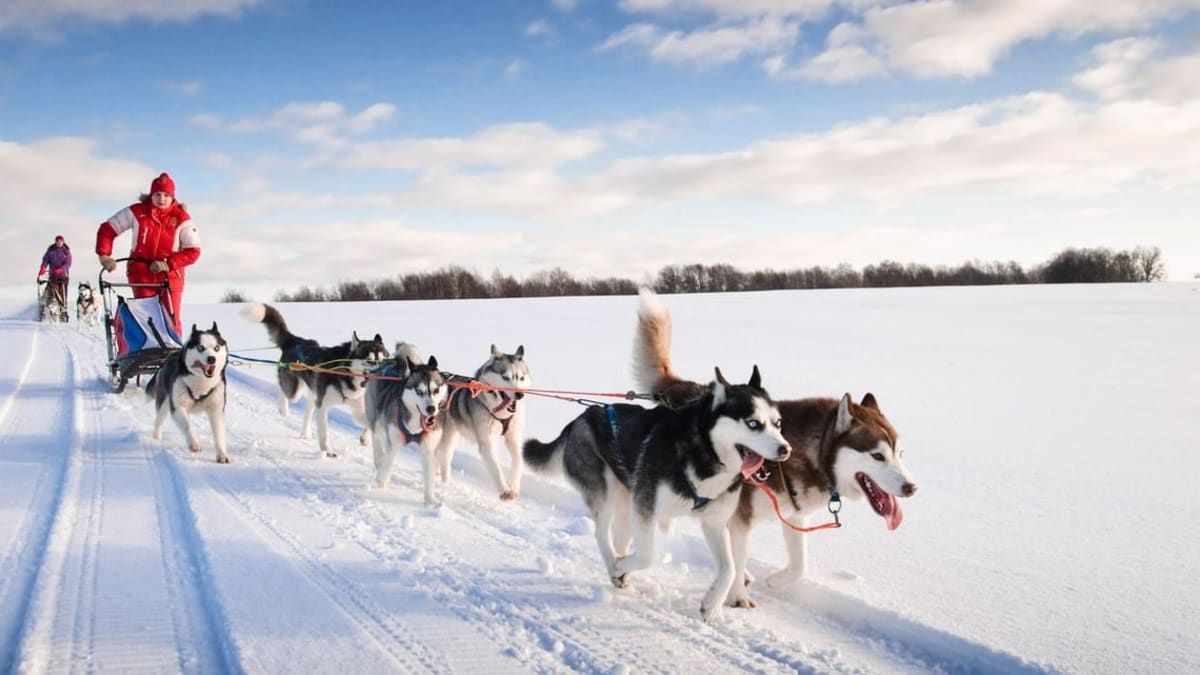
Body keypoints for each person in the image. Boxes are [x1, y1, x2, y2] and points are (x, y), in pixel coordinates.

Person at [95, 172, 200, 337]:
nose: (162, 199)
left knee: (171, 321)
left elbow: (193, 251)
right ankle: (147, 356)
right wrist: (104, 255)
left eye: (166, 195)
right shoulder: (137, 212)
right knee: (147, 319)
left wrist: (168, 264)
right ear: (151, 195)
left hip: (171, 276)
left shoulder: (181, 218)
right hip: (141, 274)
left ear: (172, 197)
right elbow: (107, 229)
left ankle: (174, 357)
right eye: (157, 194)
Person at [38, 234, 72, 320]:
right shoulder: (51, 250)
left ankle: (63, 310)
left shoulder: (66, 251)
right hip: (53, 275)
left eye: (61, 241)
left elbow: (68, 263)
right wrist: (43, 268)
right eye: (58, 241)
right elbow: (45, 260)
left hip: (63, 276)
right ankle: (47, 307)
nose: (59, 243)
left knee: (63, 293)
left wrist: (61, 269)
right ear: (55, 242)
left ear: (63, 242)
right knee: (52, 290)